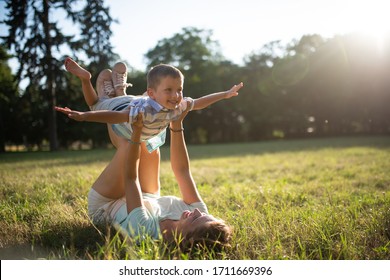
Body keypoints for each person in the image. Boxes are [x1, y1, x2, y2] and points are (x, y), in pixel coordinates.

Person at [88, 104, 232, 251]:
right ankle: (122, 97)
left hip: (108, 204)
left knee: (127, 146)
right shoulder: (201, 215)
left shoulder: (145, 230)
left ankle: (107, 102)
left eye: (195, 218)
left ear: (187, 240)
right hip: (147, 196)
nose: (198, 212)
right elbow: (182, 170)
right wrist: (176, 123)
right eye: (204, 214)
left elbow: (131, 177)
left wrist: (136, 132)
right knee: (150, 143)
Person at [56, 57, 243, 152]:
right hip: (121, 108)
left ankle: (116, 90)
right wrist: (85, 116)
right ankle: (86, 79)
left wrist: (225, 94)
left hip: (133, 100)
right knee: (95, 103)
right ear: (153, 94)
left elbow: (200, 102)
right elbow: (117, 117)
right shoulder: (143, 111)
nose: (176, 95)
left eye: (179, 89)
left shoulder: (176, 104)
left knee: (115, 96)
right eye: (169, 90)